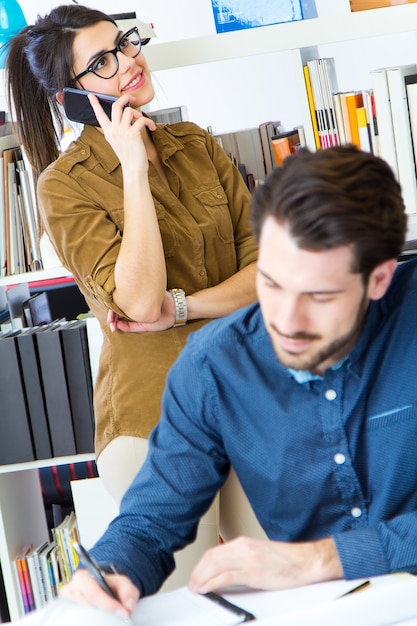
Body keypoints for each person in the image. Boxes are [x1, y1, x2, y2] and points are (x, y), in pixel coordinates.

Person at [60, 144, 417, 619]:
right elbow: (152, 519)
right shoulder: (214, 367)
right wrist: (109, 571)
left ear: (379, 280)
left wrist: (322, 559)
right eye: (271, 284)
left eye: (319, 295)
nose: (286, 321)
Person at [5, 4, 258, 502]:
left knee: (289, 573)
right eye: (102, 62)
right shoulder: (63, 186)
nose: (127, 62)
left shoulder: (197, 146)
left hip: (248, 399)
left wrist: (181, 307)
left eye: (123, 43)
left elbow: (268, 276)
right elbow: (140, 304)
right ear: (69, 98)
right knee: (183, 582)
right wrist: (134, 169)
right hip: (154, 421)